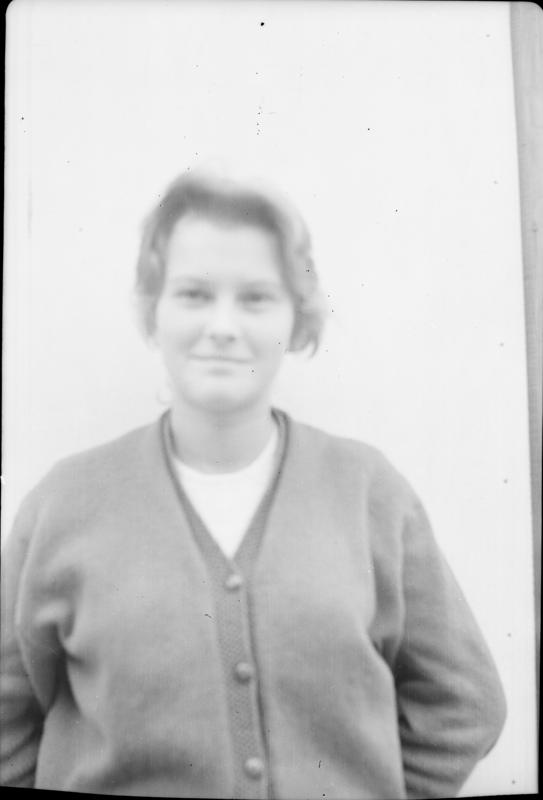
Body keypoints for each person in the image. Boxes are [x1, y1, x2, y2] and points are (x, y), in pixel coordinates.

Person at [0, 169, 506, 799]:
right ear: (153, 311)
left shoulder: (370, 494)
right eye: (193, 294)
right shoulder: (63, 506)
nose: (223, 325)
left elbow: (465, 702)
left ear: (297, 318)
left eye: (256, 298)